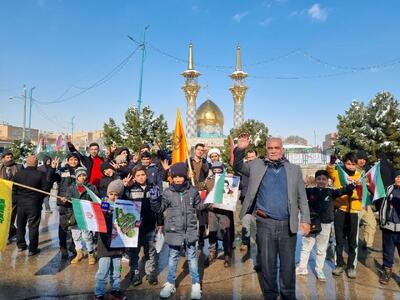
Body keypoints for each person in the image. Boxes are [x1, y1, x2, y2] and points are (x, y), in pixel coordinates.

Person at [234, 134, 310, 300]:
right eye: (270, 148)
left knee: (288, 264)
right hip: (264, 223)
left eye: (277, 148)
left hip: (287, 224)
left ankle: (288, 294)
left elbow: (301, 197)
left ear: (282, 150)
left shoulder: (294, 169)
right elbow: (238, 166)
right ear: (266, 149)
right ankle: (270, 294)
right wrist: (240, 148)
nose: (273, 151)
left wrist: (305, 219)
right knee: (268, 263)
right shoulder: (256, 165)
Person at [150, 162, 203, 300]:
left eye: (181, 176)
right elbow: (159, 209)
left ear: (185, 176)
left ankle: (196, 284)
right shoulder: (168, 192)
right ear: (172, 177)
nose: (178, 179)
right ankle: (170, 283)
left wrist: (210, 201)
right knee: (172, 257)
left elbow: (199, 206)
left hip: (190, 230)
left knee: (192, 258)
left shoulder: (192, 191)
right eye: (175, 176)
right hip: (173, 231)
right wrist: (154, 200)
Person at [296, 170, 356, 281]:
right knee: (306, 247)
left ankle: (319, 270)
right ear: (316, 180)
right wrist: (301, 182)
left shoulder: (331, 192)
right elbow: (298, 193)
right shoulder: (310, 191)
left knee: (321, 250)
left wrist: (353, 185)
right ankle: (302, 268)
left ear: (327, 180)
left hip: (325, 224)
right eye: (319, 179)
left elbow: (343, 190)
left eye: (324, 179)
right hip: (311, 223)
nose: (321, 181)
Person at [123, 165, 163, 287]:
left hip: (150, 226)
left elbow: (159, 208)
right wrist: (124, 188)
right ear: (134, 177)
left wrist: (160, 223)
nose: (141, 177)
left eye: (143, 174)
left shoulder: (153, 188)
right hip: (134, 227)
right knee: (133, 252)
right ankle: (135, 273)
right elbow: (122, 204)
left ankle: (151, 273)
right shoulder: (130, 189)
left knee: (151, 251)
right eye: (138, 175)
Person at [327, 152, 362, 278]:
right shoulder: (339, 172)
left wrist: (352, 194)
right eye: (348, 163)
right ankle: (339, 265)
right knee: (339, 240)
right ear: (344, 163)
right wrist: (331, 162)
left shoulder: (360, 176)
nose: (350, 166)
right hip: (340, 210)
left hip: (353, 211)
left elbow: (363, 195)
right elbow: (329, 172)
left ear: (356, 165)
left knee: (353, 241)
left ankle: (351, 266)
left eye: (353, 164)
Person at [13, 154, 51, 256]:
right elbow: (46, 190)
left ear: (26, 162)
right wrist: (39, 198)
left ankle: (21, 245)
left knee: (20, 225)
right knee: (33, 226)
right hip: (34, 204)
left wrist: (18, 199)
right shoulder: (40, 174)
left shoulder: (18, 174)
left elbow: (14, 190)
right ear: (36, 163)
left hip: (21, 204)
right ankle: (32, 249)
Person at [95, 179, 126, 300]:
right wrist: (103, 212)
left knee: (117, 272)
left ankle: (116, 290)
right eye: (111, 194)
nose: (113, 197)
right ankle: (99, 293)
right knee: (103, 271)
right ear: (108, 193)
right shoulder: (102, 204)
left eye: (116, 194)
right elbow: (97, 221)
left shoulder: (123, 206)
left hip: (118, 244)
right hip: (104, 244)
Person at [47, 153, 81, 259]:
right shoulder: (62, 170)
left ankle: (73, 246)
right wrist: (52, 168)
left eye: (76, 159)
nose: (73, 161)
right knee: (63, 226)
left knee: (76, 226)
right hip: (63, 202)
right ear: (67, 160)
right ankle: (63, 248)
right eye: (71, 159)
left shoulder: (81, 172)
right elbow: (50, 179)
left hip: (76, 202)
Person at [202, 161, 233, 267]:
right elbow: (202, 189)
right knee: (212, 232)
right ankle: (212, 252)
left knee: (226, 233)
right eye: (214, 169)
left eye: (219, 169)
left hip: (224, 211)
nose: (216, 171)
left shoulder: (228, 178)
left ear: (222, 168)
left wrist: (233, 179)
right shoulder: (209, 179)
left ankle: (227, 254)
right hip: (212, 211)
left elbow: (237, 187)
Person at [65, 167, 98, 265]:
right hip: (74, 215)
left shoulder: (91, 187)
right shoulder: (71, 188)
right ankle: (79, 253)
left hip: (86, 216)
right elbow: (67, 199)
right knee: (76, 236)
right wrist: (65, 200)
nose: (82, 177)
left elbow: (96, 199)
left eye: (84, 175)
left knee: (87, 236)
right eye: (79, 175)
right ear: (76, 177)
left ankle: (91, 254)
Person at [377, 170, 400, 285]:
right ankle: (386, 272)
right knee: (388, 252)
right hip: (388, 227)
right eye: (397, 177)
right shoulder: (388, 189)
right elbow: (379, 200)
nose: (399, 179)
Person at [357, 150, 381, 253]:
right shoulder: (353, 170)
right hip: (356, 203)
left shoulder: (367, 171)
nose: (362, 161)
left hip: (365, 203)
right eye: (360, 158)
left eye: (364, 159)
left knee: (371, 223)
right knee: (349, 225)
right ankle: (336, 242)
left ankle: (368, 244)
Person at [188, 143, 209, 249]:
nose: (200, 151)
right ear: (195, 150)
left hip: (201, 191)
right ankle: (189, 239)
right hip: (190, 190)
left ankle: (201, 238)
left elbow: (208, 174)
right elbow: (182, 174)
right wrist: (188, 175)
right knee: (190, 215)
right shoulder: (188, 162)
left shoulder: (205, 162)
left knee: (202, 215)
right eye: (198, 149)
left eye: (202, 150)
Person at [0, 149, 23, 242]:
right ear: (3, 158)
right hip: (3, 196)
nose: (9, 159)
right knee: (4, 216)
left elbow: (25, 179)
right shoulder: (0, 168)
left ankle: (8, 234)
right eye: (7, 157)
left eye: (11, 157)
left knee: (11, 217)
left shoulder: (19, 167)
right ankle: (12, 232)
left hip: (16, 196)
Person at [238, 150, 257, 254]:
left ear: (256, 157)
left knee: (256, 222)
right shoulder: (243, 168)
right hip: (245, 198)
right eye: (249, 157)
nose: (250, 159)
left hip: (257, 200)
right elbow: (238, 182)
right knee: (245, 220)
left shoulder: (261, 168)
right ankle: (245, 242)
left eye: (252, 157)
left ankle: (259, 241)